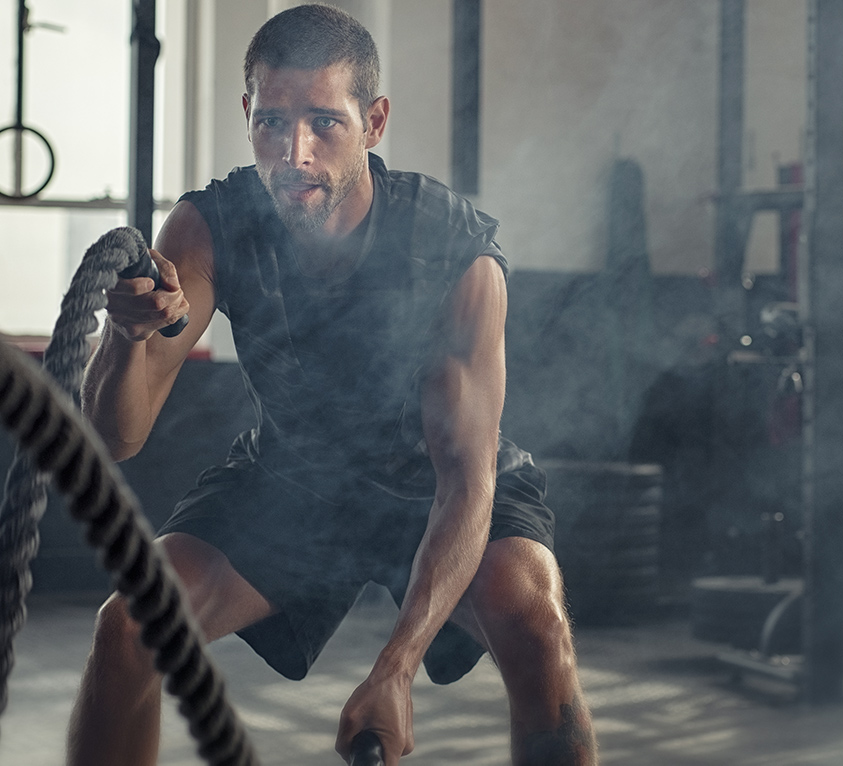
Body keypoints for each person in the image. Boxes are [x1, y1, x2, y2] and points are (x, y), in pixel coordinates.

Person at [71, 5, 594, 765]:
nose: (295, 153)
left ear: (374, 121)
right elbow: (118, 438)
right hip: (295, 477)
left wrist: (396, 670)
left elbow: (465, 479)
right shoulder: (208, 228)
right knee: (127, 629)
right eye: (274, 123)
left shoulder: (453, 249)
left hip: (435, 486)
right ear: (247, 115)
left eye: (325, 123)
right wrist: (127, 334)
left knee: (536, 620)